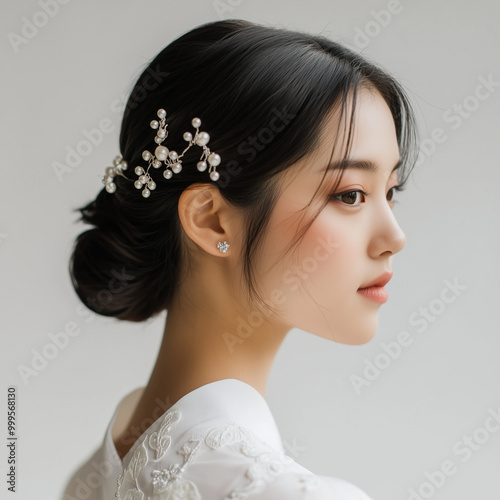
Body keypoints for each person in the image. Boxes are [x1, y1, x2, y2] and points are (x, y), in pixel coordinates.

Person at [62, 18, 418, 500]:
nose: (394, 236)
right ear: (210, 220)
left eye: (390, 191)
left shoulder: (105, 461)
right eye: (350, 194)